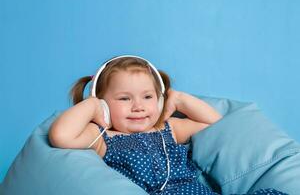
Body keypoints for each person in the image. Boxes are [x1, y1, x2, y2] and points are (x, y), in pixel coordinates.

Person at [48, 55, 286, 195]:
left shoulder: (167, 129)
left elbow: (215, 126)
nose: (138, 106)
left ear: (160, 99)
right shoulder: (102, 137)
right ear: (103, 103)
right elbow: (60, 136)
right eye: (124, 98)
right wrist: (91, 106)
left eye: (148, 97)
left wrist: (179, 99)